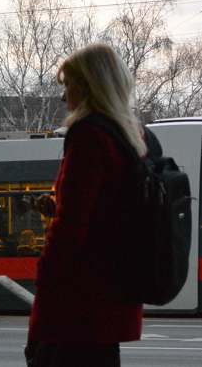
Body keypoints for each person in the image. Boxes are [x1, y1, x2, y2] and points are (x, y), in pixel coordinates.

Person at [25, 43, 147, 367]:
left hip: (78, 305)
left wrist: (44, 280)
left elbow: (70, 232)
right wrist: (60, 208)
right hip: (113, 294)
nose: (64, 96)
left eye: (67, 85)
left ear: (89, 85)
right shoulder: (131, 135)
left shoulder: (89, 135)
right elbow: (110, 212)